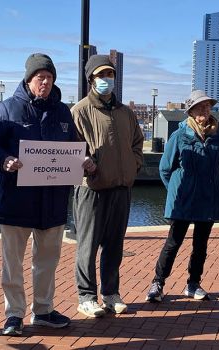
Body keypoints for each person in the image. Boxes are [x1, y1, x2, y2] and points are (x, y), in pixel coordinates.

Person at [0, 53, 91, 335]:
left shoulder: (63, 111)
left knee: (47, 262)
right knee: (13, 264)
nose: (45, 82)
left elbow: (75, 147)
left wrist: (86, 160)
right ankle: (14, 314)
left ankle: (43, 310)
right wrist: (3, 160)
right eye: (40, 77)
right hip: (17, 201)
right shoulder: (7, 109)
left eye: (50, 77)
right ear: (28, 79)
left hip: (52, 203)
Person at [71, 55, 144, 318]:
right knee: (87, 246)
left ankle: (111, 293)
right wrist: (86, 162)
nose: (106, 80)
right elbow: (72, 149)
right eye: (101, 75)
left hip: (121, 188)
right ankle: (86, 297)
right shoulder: (79, 111)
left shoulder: (126, 113)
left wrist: (134, 165)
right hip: (92, 189)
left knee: (115, 244)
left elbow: (138, 143)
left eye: (110, 75)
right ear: (91, 79)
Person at [145, 90, 219, 303]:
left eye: (208, 106)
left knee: (201, 245)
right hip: (183, 201)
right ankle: (158, 282)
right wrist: (176, 191)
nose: (205, 110)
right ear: (190, 111)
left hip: (208, 200)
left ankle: (193, 284)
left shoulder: (218, 136)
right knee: (173, 242)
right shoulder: (179, 136)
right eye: (200, 107)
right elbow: (165, 169)